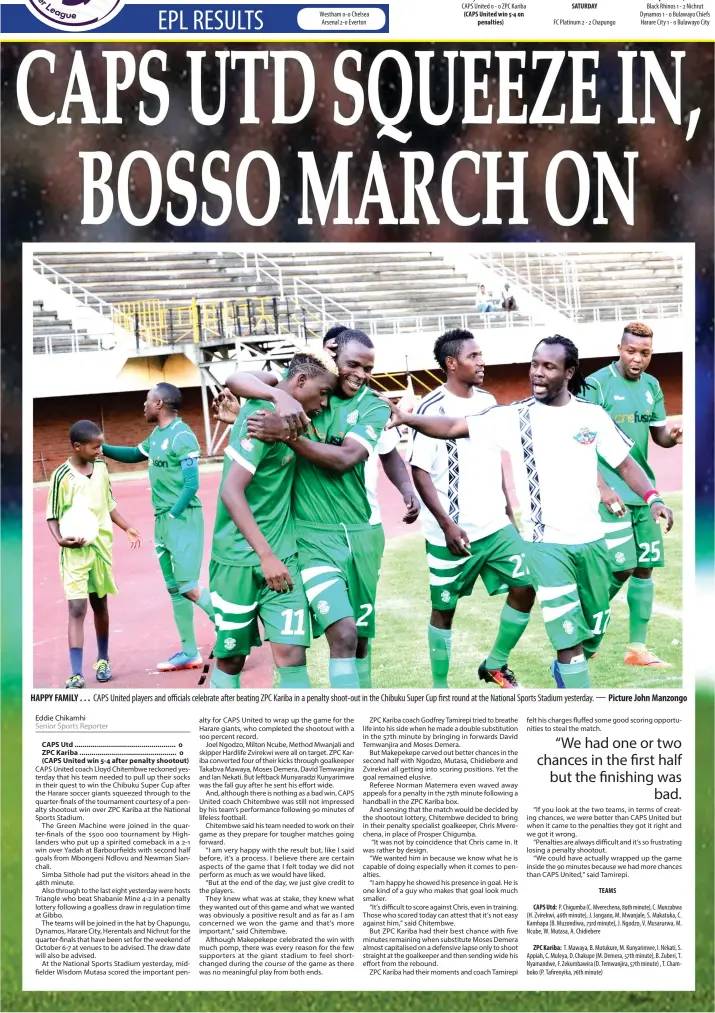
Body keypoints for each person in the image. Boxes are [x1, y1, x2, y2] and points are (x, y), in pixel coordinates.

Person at [386, 335, 674, 690]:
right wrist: (409, 419)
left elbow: (625, 463)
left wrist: (652, 496)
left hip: (592, 543)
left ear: (568, 372)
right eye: (534, 364)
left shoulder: (591, 416)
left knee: (595, 627)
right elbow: (452, 427)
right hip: (545, 547)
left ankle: (554, 662)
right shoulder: (513, 416)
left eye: (548, 366)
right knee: (569, 644)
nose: (537, 373)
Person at [220, 329, 391, 690]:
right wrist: (273, 399)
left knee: (348, 642)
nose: (360, 374)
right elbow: (236, 378)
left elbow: (346, 458)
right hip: (293, 543)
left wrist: (286, 433)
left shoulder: (372, 405)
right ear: (331, 358)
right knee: (234, 657)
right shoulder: (278, 400)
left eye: (368, 368)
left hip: (347, 537)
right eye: (353, 365)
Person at [408, 329, 535, 690]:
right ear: (452, 363)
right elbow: (418, 470)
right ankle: (440, 688)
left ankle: (495, 664)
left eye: (481, 355)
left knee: (526, 585)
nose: (482, 362)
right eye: (474, 356)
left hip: (496, 527)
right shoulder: (430, 408)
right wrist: (447, 525)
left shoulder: (488, 400)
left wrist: (510, 512)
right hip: (451, 534)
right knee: (444, 610)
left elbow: (496, 459)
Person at [210, 352, 338, 689]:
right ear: (300, 382)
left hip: (284, 557)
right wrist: (265, 556)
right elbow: (231, 493)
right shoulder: (261, 415)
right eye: (322, 392)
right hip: (237, 560)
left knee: (293, 656)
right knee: (231, 659)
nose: (324, 404)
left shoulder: (289, 421)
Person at [583, 322, 683, 668]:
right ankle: (589, 631)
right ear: (619, 348)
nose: (638, 359)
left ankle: (636, 649)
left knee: (645, 568)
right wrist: (602, 487)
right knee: (621, 568)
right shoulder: (596, 384)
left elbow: (660, 437)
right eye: (631, 351)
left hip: (643, 492)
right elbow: (578, 442)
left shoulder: (652, 386)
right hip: (609, 494)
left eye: (645, 353)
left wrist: (674, 435)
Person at [101, 383, 215, 672]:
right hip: (162, 522)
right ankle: (190, 652)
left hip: (183, 518)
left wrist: (175, 515)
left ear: (160, 403)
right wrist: (100, 449)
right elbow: (132, 455)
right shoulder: (156, 435)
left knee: (189, 585)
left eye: (147, 400)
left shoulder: (182, 435)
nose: (144, 405)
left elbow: (192, 484)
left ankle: (234, 633)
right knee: (175, 588)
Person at [46, 420, 141, 689]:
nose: (101, 450)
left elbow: (108, 504)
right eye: (95, 446)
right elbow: (52, 517)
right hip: (74, 552)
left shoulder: (101, 469)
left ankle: (102, 659)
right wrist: (61, 541)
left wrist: (128, 527)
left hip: (101, 549)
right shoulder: (61, 476)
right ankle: (76, 672)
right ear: (77, 446)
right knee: (77, 608)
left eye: (101, 445)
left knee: (100, 604)